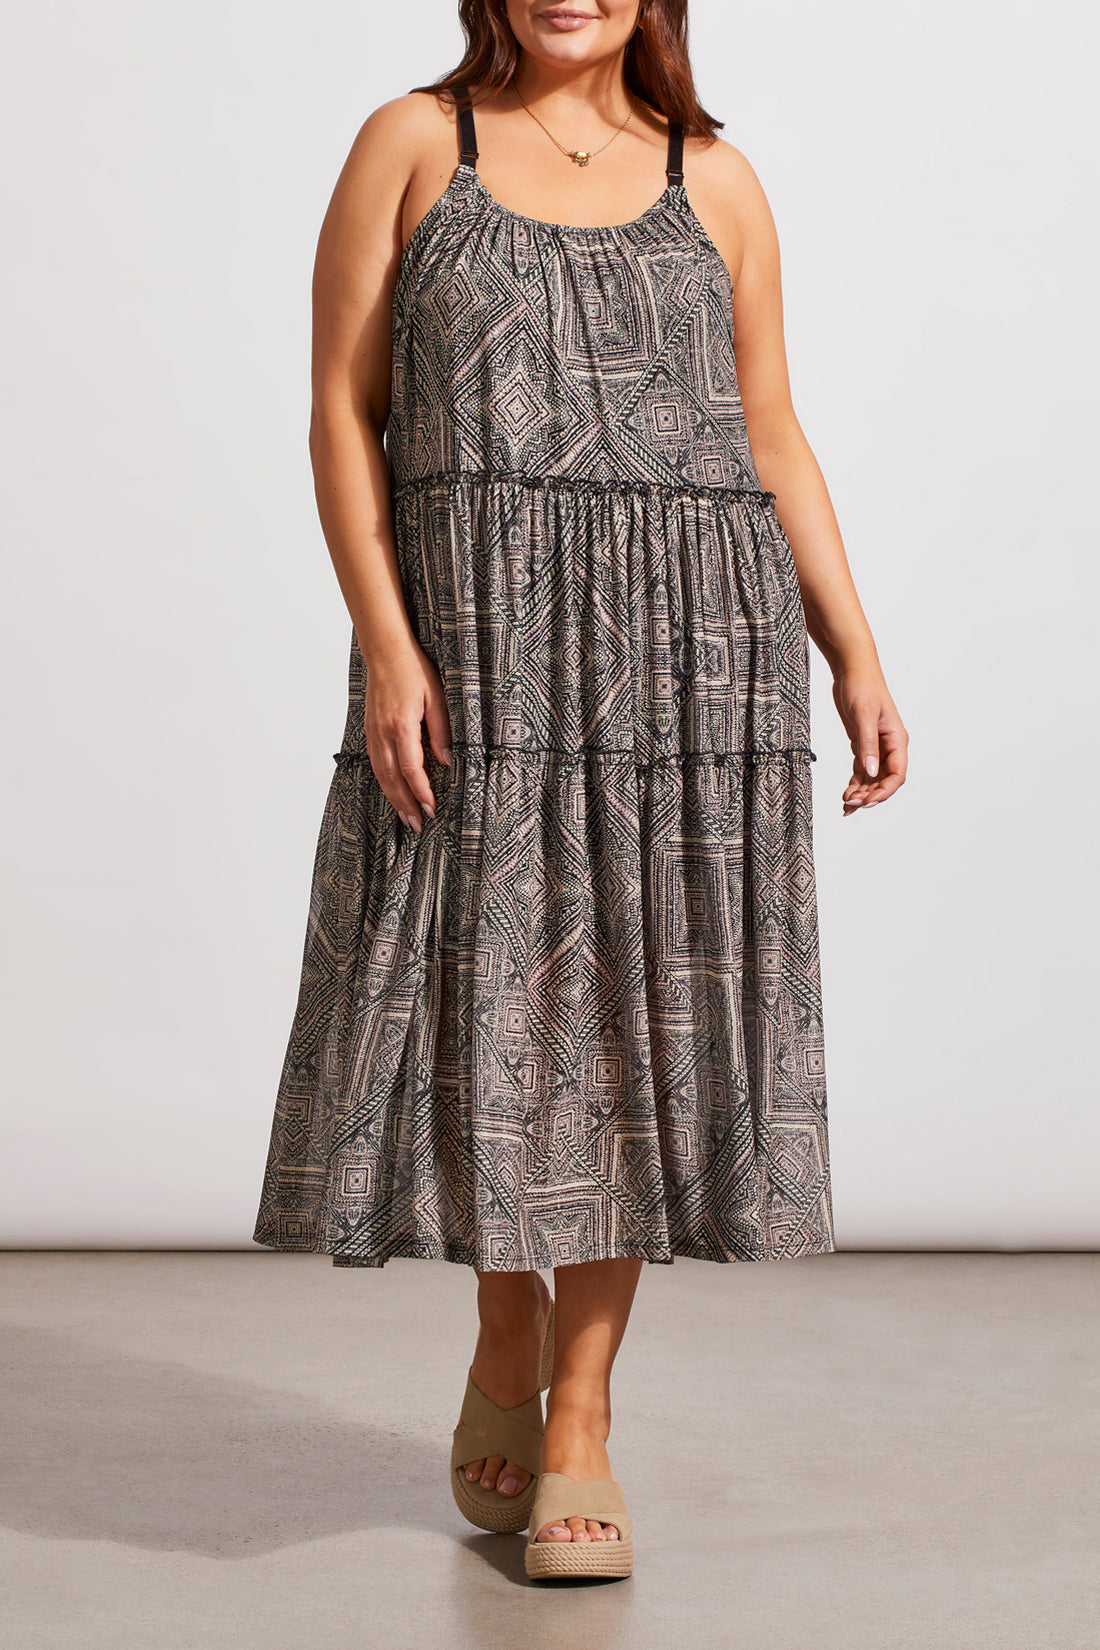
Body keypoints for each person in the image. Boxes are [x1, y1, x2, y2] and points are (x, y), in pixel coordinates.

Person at [252, 0, 908, 1581]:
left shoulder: (719, 179)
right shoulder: (416, 147)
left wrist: (854, 649)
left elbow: (769, 429)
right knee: (486, 1003)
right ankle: (502, 1320)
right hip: (478, 647)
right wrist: (389, 645)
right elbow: (346, 416)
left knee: (632, 1024)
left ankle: (583, 1420)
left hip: (689, 667)